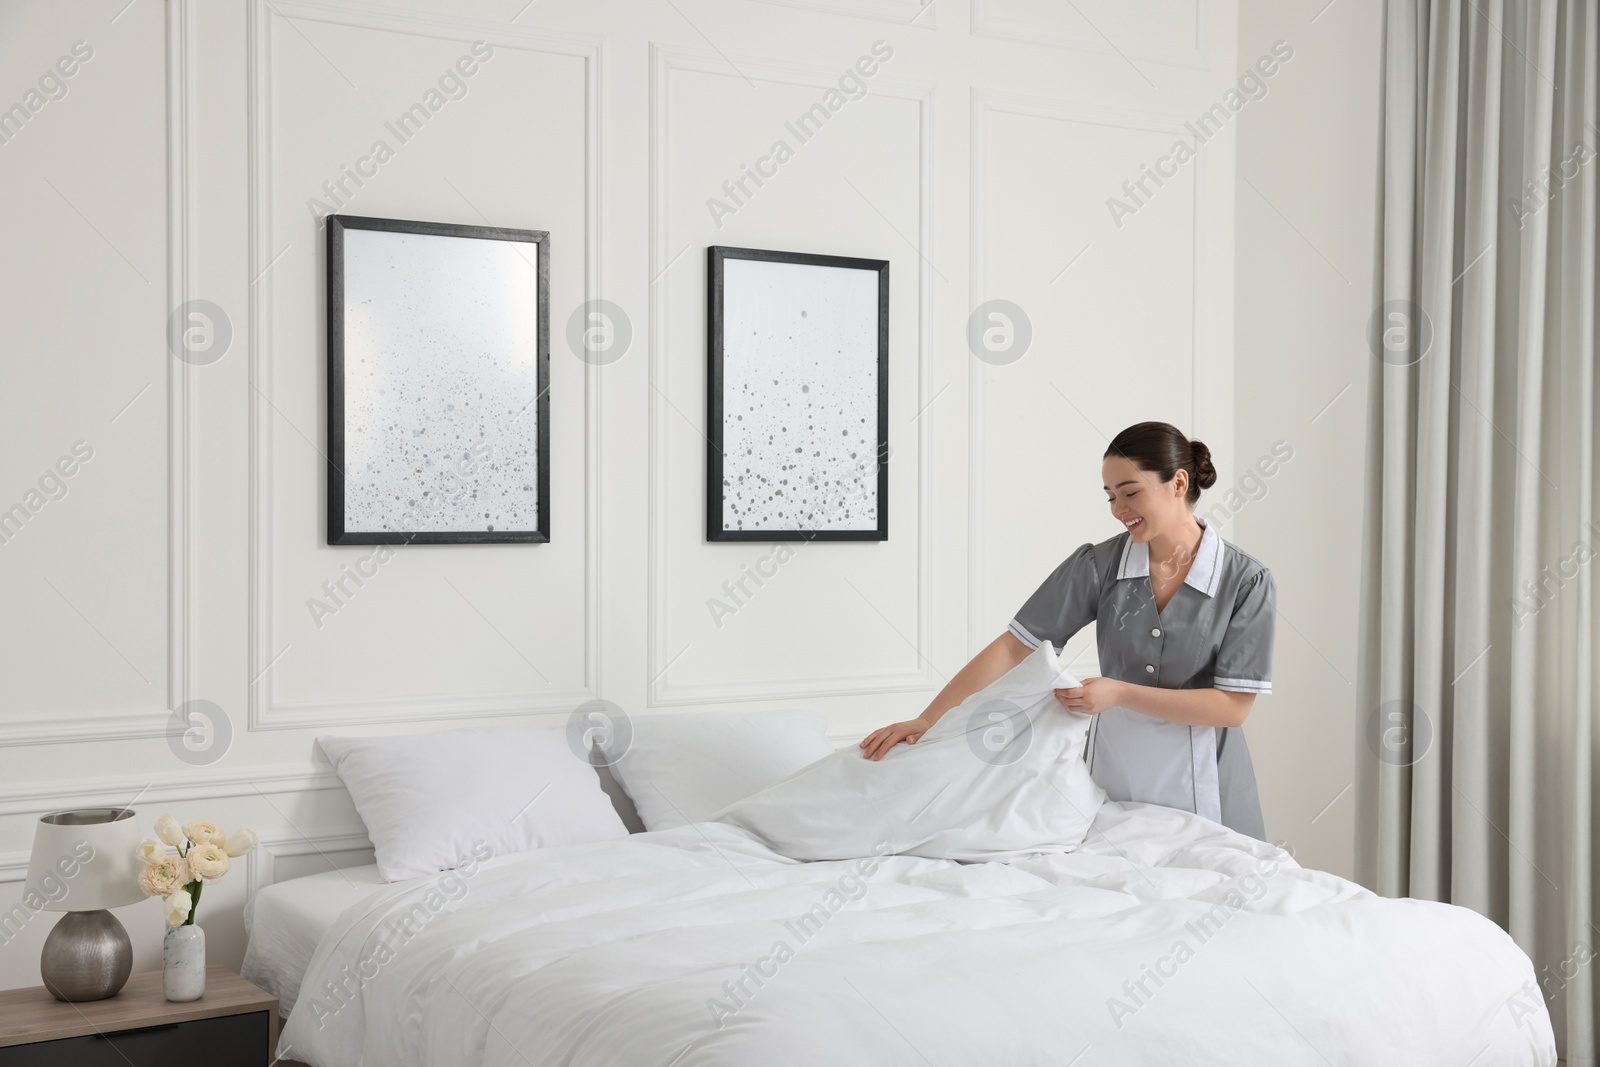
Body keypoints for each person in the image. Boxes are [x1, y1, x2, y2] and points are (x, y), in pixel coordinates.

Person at [859, 421, 1276, 840]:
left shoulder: (1245, 581)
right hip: (1114, 776)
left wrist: (1119, 692)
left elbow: (1232, 707)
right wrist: (928, 719)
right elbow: (1013, 647)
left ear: (1178, 483)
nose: (1118, 509)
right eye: (1111, 497)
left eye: (1130, 492)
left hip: (1210, 787)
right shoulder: (1098, 566)